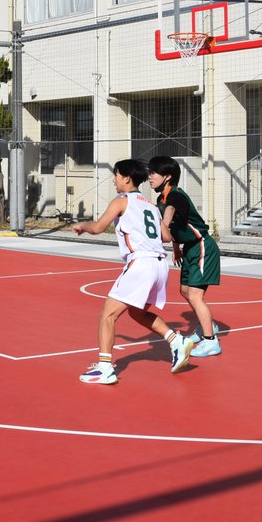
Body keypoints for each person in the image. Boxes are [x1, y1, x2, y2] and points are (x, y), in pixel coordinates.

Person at [72, 159, 193, 384]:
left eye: (116, 175)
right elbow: (166, 237)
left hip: (141, 263)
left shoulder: (122, 200)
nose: (114, 180)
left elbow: (98, 227)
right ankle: (177, 341)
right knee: (137, 312)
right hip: (160, 265)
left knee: (108, 315)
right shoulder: (151, 206)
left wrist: (83, 226)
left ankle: (105, 368)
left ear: (127, 178)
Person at [149, 155, 222, 357]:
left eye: (153, 173)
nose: (149, 177)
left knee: (196, 296)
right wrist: (176, 246)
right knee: (185, 291)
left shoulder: (176, 196)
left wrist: (163, 226)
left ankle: (211, 341)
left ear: (167, 176)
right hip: (189, 248)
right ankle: (209, 325)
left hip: (202, 245)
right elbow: (176, 224)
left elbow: (171, 212)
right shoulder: (160, 199)